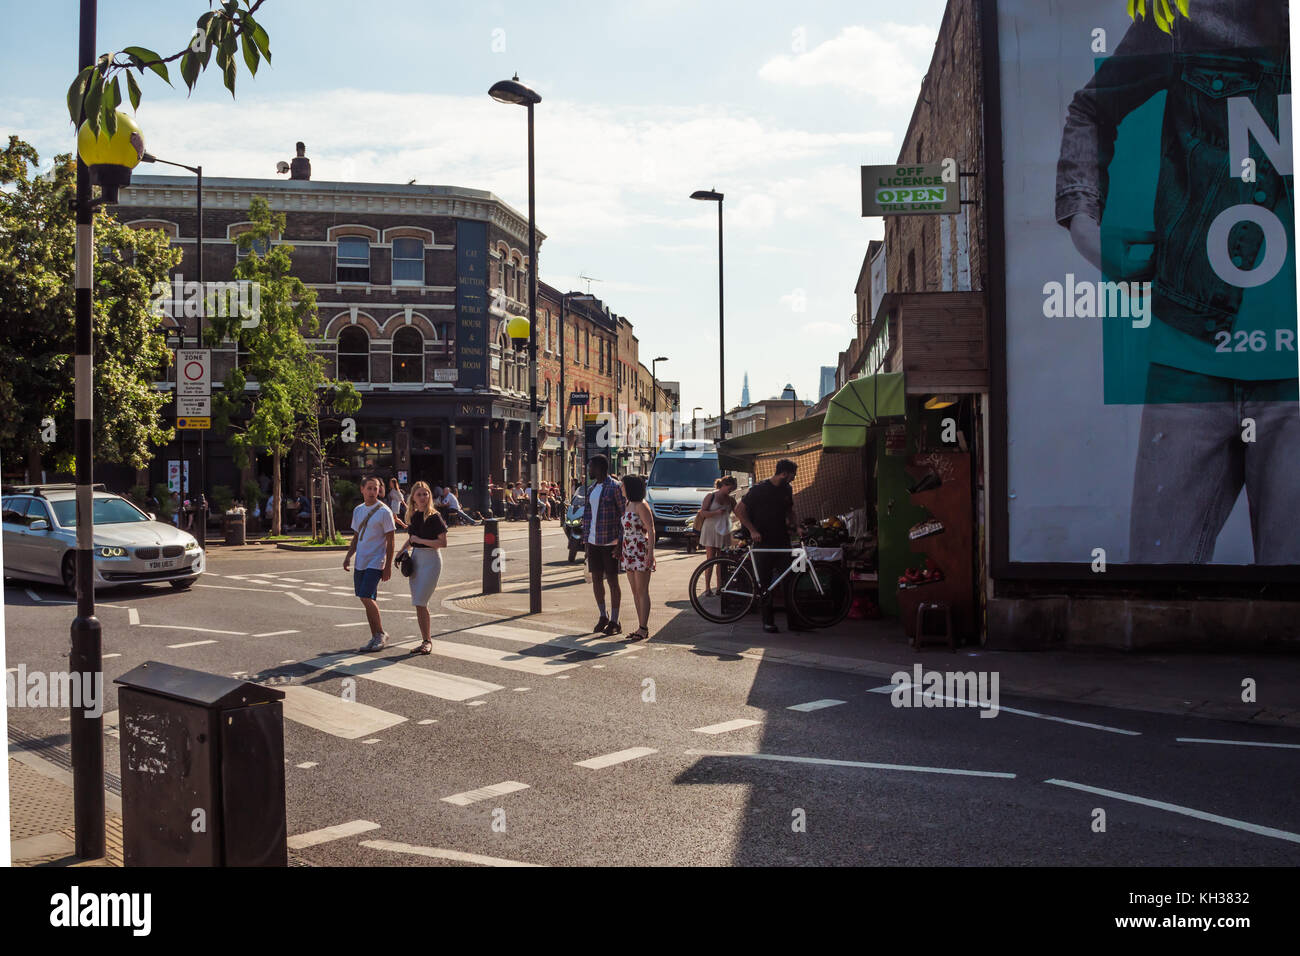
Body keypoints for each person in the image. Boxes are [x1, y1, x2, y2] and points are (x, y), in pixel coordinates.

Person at [1056, 3, 1298, 563]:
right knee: (1155, 580)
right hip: (1191, 351)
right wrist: (1089, 234)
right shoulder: (1188, 14)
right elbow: (1093, 109)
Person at [733, 459, 803, 634]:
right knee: (764, 583)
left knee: (789, 580)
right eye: (793, 474)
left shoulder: (787, 489)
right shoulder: (759, 489)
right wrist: (752, 530)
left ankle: (794, 621)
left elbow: (789, 511)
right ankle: (768, 621)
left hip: (782, 540)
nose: (794, 478)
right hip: (762, 541)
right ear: (785, 473)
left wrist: (797, 526)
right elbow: (739, 510)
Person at [342, 476, 397, 652]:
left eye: (376, 488)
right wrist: (349, 556)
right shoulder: (358, 510)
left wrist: (387, 565)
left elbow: (391, 540)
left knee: (366, 596)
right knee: (365, 598)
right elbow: (357, 537)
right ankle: (375, 637)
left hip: (376, 561)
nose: (373, 491)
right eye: (370, 488)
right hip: (361, 561)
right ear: (362, 489)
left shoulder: (384, 511)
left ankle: (381, 633)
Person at [396, 481, 448, 655]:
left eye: (426, 494)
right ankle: (425, 639)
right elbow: (411, 539)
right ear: (413, 498)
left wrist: (420, 541)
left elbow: (442, 543)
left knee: (421, 600)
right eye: (419, 494)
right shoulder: (414, 516)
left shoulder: (435, 516)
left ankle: (427, 641)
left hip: (431, 560)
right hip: (417, 558)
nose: (423, 497)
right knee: (418, 603)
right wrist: (400, 552)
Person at [581, 454, 626, 636]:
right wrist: (586, 543)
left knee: (613, 582)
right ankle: (603, 615)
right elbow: (588, 517)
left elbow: (624, 516)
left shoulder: (615, 488)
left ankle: (615, 620)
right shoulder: (592, 488)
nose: (589, 470)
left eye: (590, 467)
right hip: (593, 542)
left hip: (610, 542)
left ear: (599, 468)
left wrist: (620, 543)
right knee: (596, 580)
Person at [619, 474, 656, 641]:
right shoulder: (628, 504)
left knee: (642, 591)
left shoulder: (642, 505)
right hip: (628, 550)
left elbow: (651, 529)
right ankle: (640, 625)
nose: (621, 488)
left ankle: (644, 627)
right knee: (634, 591)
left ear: (630, 487)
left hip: (640, 549)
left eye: (623, 485)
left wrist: (650, 553)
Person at [698, 476, 739, 595]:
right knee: (710, 560)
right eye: (729, 488)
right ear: (723, 485)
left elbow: (738, 513)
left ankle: (720, 587)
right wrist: (716, 512)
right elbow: (703, 512)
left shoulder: (731, 500)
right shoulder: (711, 496)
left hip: (723, 532)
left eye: (732, 489)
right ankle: (707, 588)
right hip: (710, 531)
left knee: (721, 561)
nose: (730, 491)